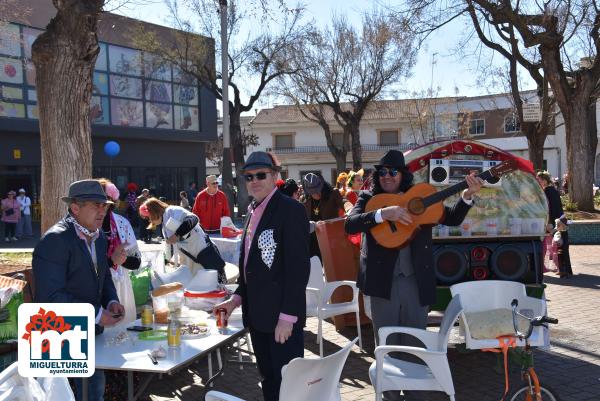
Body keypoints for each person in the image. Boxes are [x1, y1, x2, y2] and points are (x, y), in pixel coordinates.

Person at [344, 150, 481, 401]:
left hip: (415, 282)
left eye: (393, 172)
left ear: (403, 175)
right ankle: (390, 397)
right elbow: (350, 224)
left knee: (413, 344)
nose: (387, 176)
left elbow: (450, 218)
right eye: (382, 172)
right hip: (381, 283)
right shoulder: (367, 197)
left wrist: (467, 196)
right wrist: (383, 214)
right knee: (386, 345)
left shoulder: (421, 198)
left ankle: (417, 395)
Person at [213, 151, 310, 401]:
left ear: (275, 176)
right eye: (248, 176)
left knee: (288, 384)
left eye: (261, 175)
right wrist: (235, 300)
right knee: (268, 379)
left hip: (281, 318)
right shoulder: (253, 210)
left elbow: (298, 269)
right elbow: (251, 267)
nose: (254, 180)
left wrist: (288, 318)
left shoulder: (291, 210)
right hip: (258, 317)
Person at [32, 179, 125, 401]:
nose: (102, 211)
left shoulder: (99, 236)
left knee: (94, 391)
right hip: (59, 335)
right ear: (75, 208)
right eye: (96, 205)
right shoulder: (55, 240)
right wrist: (97, 314)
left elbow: (103, 278)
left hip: (90, 333)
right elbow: (51, 297)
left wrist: (111, 300)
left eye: (105, 205)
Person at [141, 197, 222, 277]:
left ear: (154, 213)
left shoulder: (172, 211)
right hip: (192, 259)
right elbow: (172, 245)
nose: (149, 221)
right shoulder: (164, 224)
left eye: (149, 218)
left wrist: (177, 234)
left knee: (215, 283)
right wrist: (167, 260)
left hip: (204, 252)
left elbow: (193, 219)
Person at [98, 178, 141, 326]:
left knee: (124, 332)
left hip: (121, 286)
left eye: (106, 202)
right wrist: (111, 260)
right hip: (97, 287)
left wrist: (121, 259)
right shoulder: (85, 226)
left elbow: (136, 262)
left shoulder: (122, 223)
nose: (102, 207)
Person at [536, 171, 572, 277]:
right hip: (560, 220)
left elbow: (550, 209)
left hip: (557, 222)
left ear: (544, 180)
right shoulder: (552, 190)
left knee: (558, 246)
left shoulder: (548, 191)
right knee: (561, 246)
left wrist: (549, 223)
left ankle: (563, 270)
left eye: (539, 180)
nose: (538, 182)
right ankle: (565, 269)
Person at [302, 173, 344, 258]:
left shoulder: (333, 193)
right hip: (312, 240)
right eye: (313, 192)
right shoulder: (304, 199)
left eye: (318, 190)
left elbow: (344, 202)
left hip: (329, 239)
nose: (317, 194)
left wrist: (349, 208)